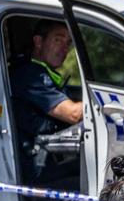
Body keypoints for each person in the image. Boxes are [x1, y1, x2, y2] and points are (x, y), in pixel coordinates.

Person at [8, 20, 83, 186]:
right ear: (38, 42)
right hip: (37, 165)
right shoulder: (31, 76)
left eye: (68, 43)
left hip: (48, 156)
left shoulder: (42, 73)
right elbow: (74, 114)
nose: (65, 49)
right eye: (58, 40)